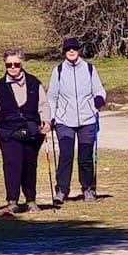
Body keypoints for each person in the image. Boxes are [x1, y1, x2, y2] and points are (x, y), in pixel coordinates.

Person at [0, 48, 51, 216]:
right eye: (9, 65)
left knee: (29, 165)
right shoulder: (0, 86)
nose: (13, 67)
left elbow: (43, 105)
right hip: (8, 131)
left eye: (16, 64)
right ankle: (12, 202)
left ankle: (31, 200)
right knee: (12, 165)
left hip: (31, 131)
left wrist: (47, 122)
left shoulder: (34, 82)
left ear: (22, 64)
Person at [47, 37, 106, 203]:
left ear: (79, 50)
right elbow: (52, 96)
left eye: (74, 48)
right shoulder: (58, 71)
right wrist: (51, 117)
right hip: (64, 121)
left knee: (85, 156)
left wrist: (100, 99)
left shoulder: (89, 69)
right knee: (66, 155)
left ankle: (88, 189)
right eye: (68, 49)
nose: (71, 51)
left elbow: (99, 90)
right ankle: (61, 191)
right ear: (64, 52)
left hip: (87, 120)